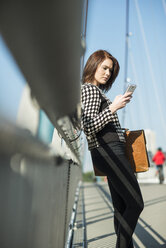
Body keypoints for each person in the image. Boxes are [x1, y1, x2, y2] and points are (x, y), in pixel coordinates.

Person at [81, 50, 144, 248]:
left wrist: (113, 106)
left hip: (108, 153)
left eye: (111, 70)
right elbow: (88, 126)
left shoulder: (95, 91)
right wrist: (113, 107)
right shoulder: (90, 90)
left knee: (121, 207)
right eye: (104, 67)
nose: (108, 73)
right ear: (94, 65)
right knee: (135, 203)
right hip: (109, 153)